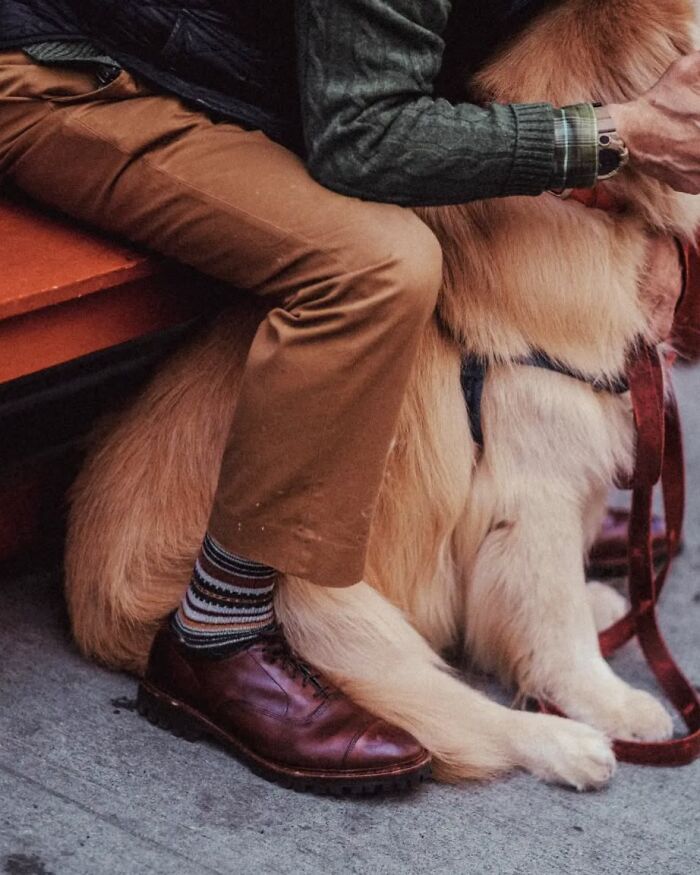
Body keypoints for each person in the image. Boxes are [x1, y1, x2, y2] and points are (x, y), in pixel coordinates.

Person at [0, 1, 691, 793]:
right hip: (81, 74)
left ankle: (495, 562)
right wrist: (616, 138)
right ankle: (219, 633)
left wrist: (651, 218)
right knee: (378, 264)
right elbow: (366, 138)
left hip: (226, 73)